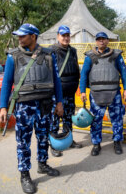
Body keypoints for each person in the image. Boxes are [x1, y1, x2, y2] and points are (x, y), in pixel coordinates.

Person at [0, 23, 63, 194]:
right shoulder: (13, 56)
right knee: (23, 142)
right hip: (24, 106)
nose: (19, 39)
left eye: (23, 36)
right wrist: (3, 107)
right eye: (18, 36)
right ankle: (24, 174)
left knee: (43, 138)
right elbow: (6, 82)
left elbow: (56, 80)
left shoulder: (49, 55)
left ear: (33, 36)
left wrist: (59, 102)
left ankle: (42, 164)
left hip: (45, 105)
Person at [79, 32, 126, 156]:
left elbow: (124, 73)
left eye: (104, 39)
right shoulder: (89, 56)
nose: (101, 41)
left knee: (117, 119)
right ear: (96, 41)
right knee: (96, 120)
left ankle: (117, 141)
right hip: (96, 94)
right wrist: (82, 91)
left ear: (108, 41)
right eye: (99, 39)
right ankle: (96, 144)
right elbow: (84, 75)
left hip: (114, 93)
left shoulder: (116, 55)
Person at [49, 25, 82, 157]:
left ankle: (69, 140)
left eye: (68, 35)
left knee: (68, 117)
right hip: (57, 94)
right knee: (55, 119)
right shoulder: (51, 50)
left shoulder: (73, 51)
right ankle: (54, 145)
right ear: (58, 36)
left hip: (70, 92)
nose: (66, 38)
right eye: (63, 35)